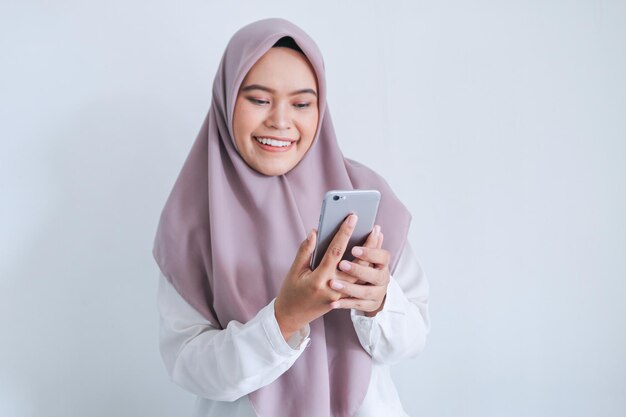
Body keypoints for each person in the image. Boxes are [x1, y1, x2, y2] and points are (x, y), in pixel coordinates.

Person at [153, 18, 430, 417]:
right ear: (227, 99)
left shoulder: (367, 195)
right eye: (259, 99)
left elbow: (413, 338)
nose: (281, 121)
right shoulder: (192, 218)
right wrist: (283, 320)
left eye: (301, 103)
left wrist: (379, 303)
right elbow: (187, 365)